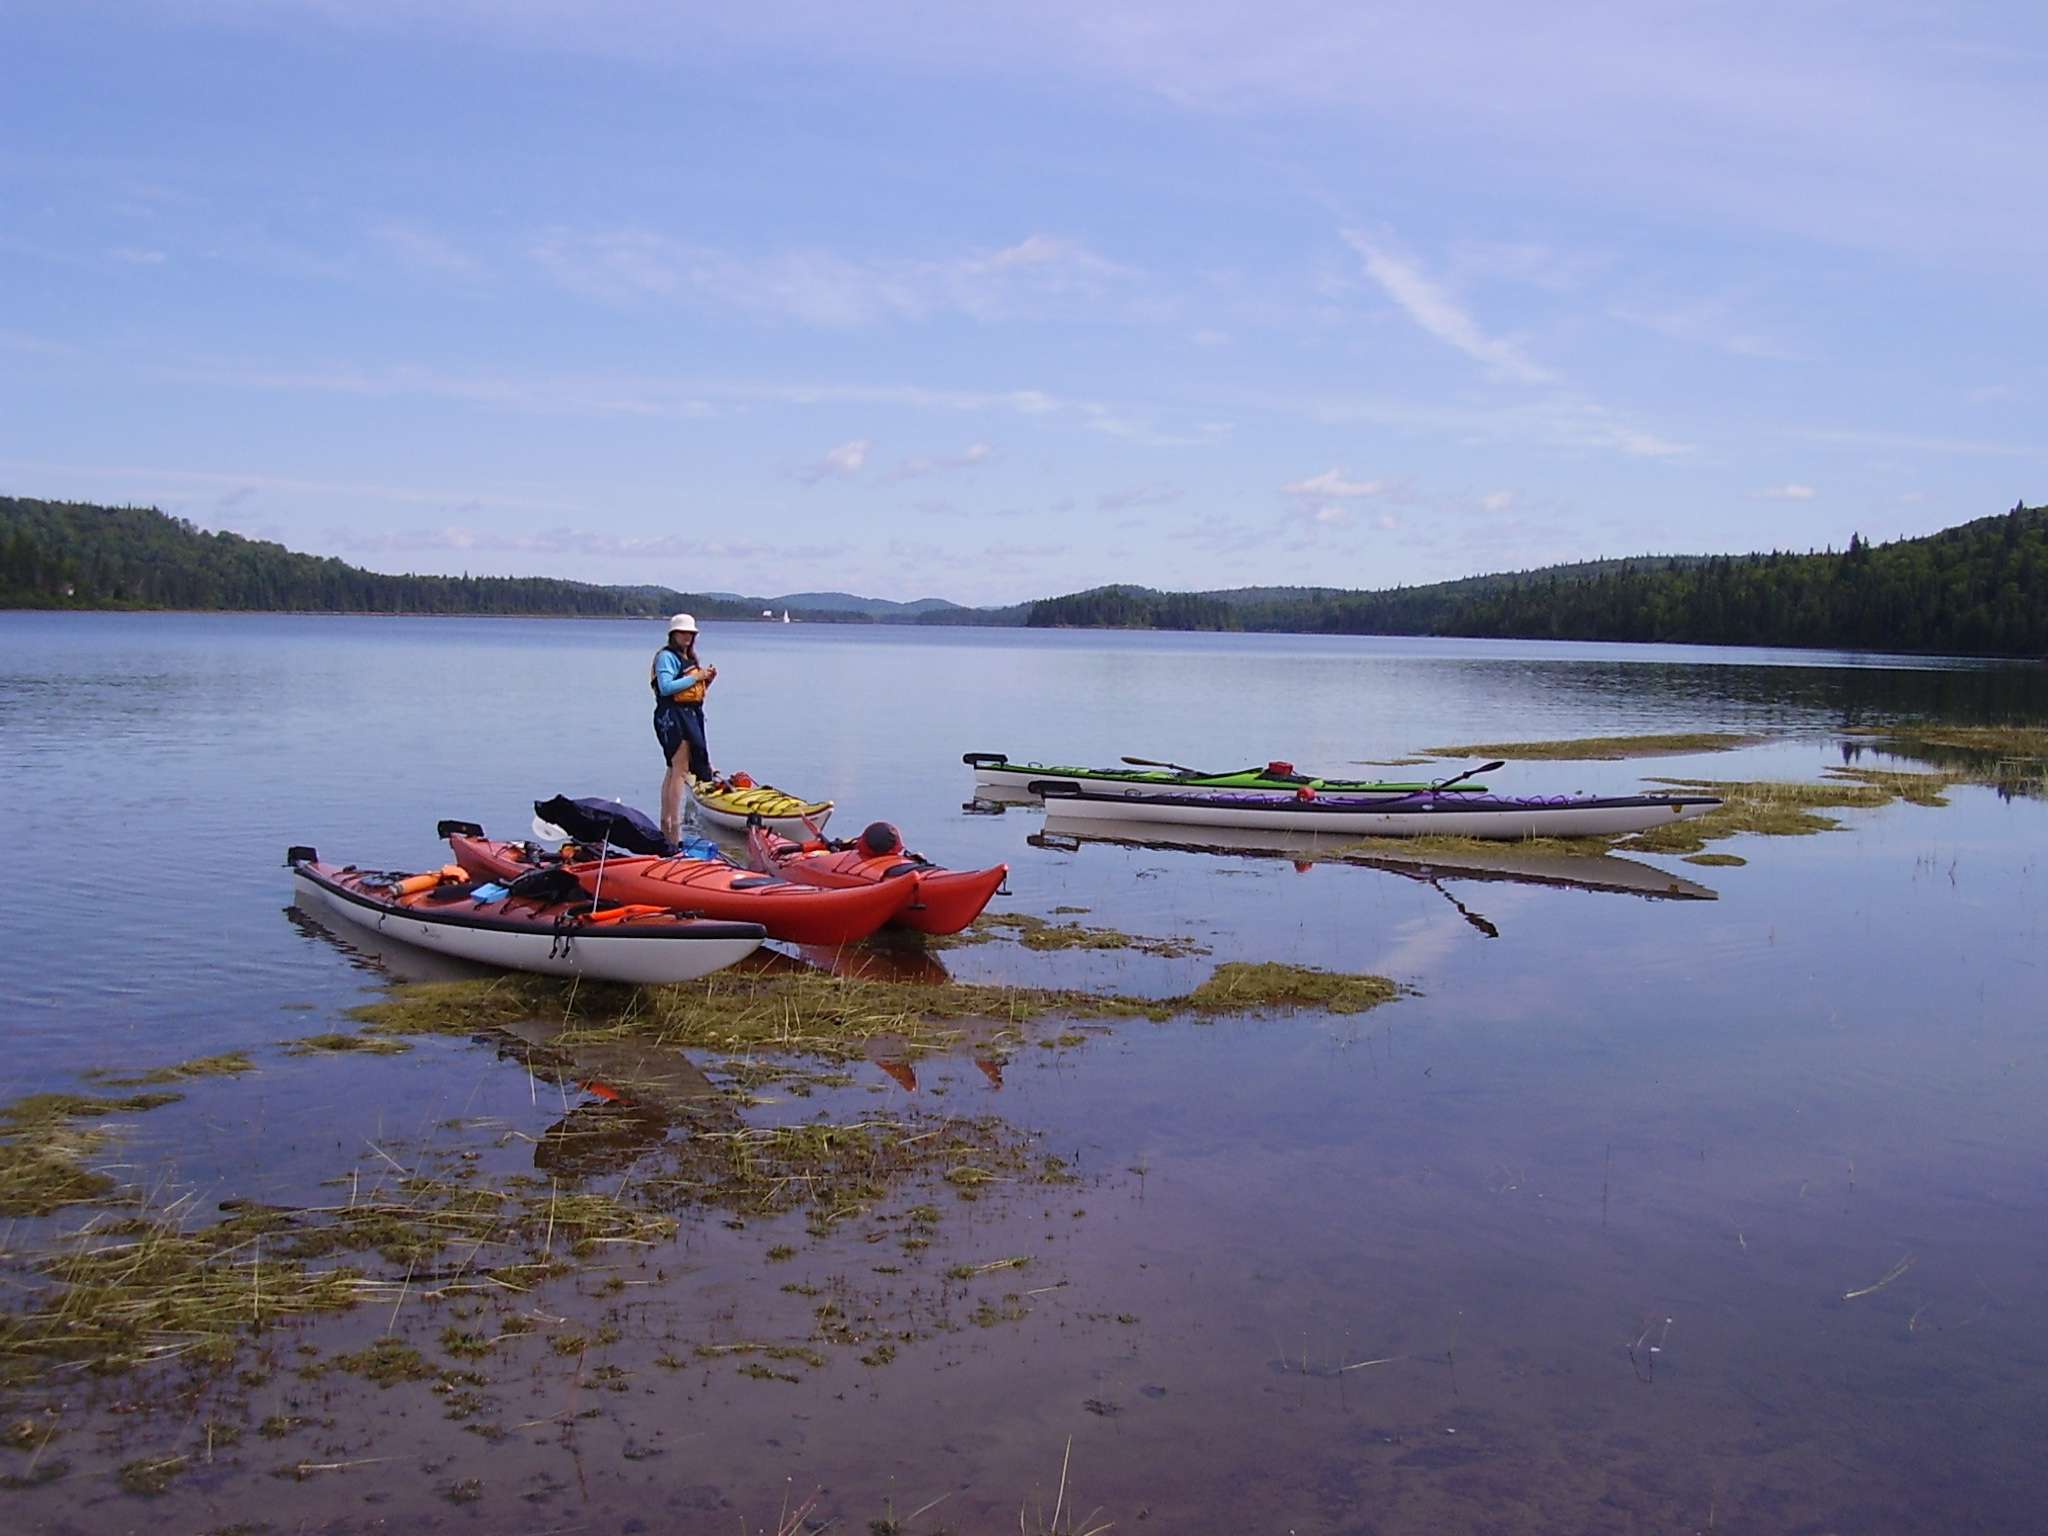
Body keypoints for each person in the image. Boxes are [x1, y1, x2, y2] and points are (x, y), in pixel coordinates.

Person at [652, 613, 717, 843]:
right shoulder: (666, 658)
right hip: (672, 716)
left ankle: (666, 822)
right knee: (679, 769)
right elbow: (666, 686)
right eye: (683, 633)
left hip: (688, 715)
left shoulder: (688, 657)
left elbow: (692, 691)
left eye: (690, 633)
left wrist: (705, 680)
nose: (687, 637)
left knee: (674, 769)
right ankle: (673, 824)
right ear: (673, 635)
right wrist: (696, 677)